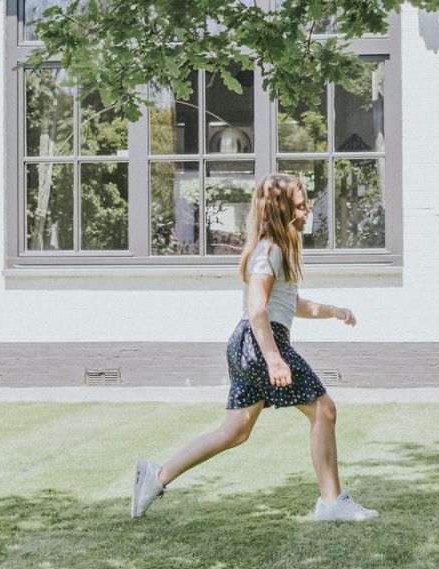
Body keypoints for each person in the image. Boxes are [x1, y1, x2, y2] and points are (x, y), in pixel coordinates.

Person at [131, 173, 378, 522]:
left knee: (235, 431)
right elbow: (257, 308)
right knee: (324, 410)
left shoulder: (279, 249)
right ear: (281, 210)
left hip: (250, 344)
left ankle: (155, 477)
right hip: (261, 343)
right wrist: (275, 360)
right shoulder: (269, 251)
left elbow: (290, 304)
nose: (307, 211)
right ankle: (331, 501)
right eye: (300, 204)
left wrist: (332, 311)